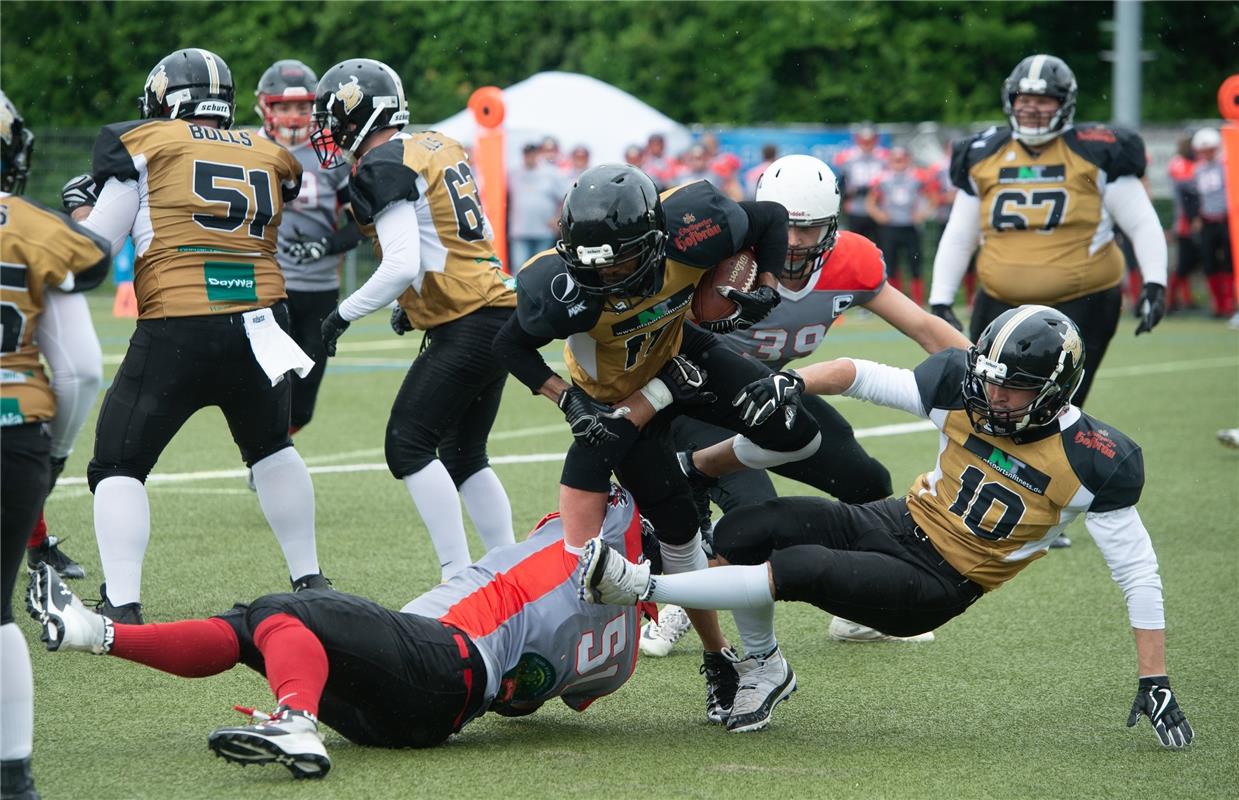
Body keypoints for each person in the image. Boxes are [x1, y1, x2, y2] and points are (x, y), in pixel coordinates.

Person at [582, 306, 1195, 748]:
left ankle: (640, 587)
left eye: (1012, 389)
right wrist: (791, 381)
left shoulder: (1096, 458)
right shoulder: (966, 385)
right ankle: (765, 666)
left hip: (939, 580)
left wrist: (1155, 677)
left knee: (799, 570)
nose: (993, 396)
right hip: (898, 520)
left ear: (1056, 390)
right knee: (747, 527)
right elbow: (860, 373)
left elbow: (1138, 573)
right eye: (990, 380)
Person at [27, 485, 653, 781]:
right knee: (255, 626)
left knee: (290, 607)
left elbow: (602, 471)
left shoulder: (600, 534)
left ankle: (296, 720)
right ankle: (97, 633)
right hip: (435, 708)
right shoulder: (618, 660)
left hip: (447, 654)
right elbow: (535, 702)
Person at [491, 163, 820, 723]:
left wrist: (762, 286)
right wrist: (567, 400)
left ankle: (697, 467)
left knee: (798, 434)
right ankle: (723, 659)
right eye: (594, 262)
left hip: (683, 353)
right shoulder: (558, 288)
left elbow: (770, 217)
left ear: (654, 240)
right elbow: (508, 345)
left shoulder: (695, 226)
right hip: (619, 397)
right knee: (679, 533)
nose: (608, 275)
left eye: (621, 259)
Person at [659, 154, 968, 653]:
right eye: (786, 224)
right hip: (695, 397)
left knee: (867, 485)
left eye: (809, 227)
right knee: (752, 514)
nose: (795, 240)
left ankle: (856, 613)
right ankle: (675, 598)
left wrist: (985, 370)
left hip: (771, 391)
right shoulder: (725, 257)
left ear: (834, 222)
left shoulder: (852, 262)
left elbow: (925, 327)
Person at [63, 48, 326, 624]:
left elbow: (92, 253)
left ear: (164, 100)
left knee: (118, 465)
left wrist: (82, 208)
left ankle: (122, 604)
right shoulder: (269, 152)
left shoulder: (147, 143)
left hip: (179, 320)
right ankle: (311, 581)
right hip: (261, 322)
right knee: (272, 448)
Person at [312, 59, 517, 580]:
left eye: (333, 116)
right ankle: (508, 568)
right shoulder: (436, 144)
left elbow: (401, 261)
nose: (329, 129)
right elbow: (457, 237)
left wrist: (342, 313)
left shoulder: (384, 164)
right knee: (464, 452)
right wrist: (415, 302)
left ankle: (457, 575)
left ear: (358, 112)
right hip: (494, 311)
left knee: (407, 444)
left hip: (469, 321)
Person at [929, 54, 1168, 408]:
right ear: (1011, 101)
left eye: (1043, 100)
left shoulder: (1095, 150)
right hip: (999, 300)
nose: (1031, 109)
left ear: (1064, 103)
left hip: (1083, 299)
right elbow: (960, 233)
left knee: (1054, 405)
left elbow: (1141, 221)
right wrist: (941, 298)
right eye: (1024, 100)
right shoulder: (983, 153)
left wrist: (1155, 282)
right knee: (983, 398)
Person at [1, 88, 111, 800]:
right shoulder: (37, 228)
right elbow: (80, 369)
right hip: (13, 426)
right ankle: (13, 776)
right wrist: (59, 451)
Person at [255, 59, 363, 435]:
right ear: (265, 107)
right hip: (267, 284)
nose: (294, 115)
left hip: (318, 287)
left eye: (303, 106)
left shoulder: (331, 155)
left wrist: (325, 245)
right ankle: (265, 452)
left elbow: (362, 223)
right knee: (263, 382)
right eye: (284, 106)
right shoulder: (248, 149)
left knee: (302, 402)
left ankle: (277, 442)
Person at [865, 146, 936, 305]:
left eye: (901, 159)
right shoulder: (882, 178)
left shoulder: (918, 176)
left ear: (908, 159)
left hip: (910, 227)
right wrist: (879, 215)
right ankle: (896, 303)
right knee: (891, 265)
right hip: (891, 227)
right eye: (895, 160)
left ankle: (918, 302)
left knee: (915, 264)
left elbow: (933, 198)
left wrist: (922, 214)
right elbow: (870, 203)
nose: (899, 163)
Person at [1187, 127, 1233, 319]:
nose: (1207, 154)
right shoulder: (1198, 170)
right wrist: (1196, 217)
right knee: (1209, 262)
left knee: (1230, 262)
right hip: (1208, 220)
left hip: (1227, 219)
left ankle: (1230, 302)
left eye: (1210, 149)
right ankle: (1218, 303)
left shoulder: (1227, 165)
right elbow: (1195, 196)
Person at [508, 142, 565, 273]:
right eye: (527, 154)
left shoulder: (550, 173)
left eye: (532, 154)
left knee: (541, 268)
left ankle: (539, 294)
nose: (530, 157)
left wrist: (557, 218)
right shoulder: (513, 173)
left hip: (543, 230)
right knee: (519, 267)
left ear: (537, 154)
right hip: (520, 230)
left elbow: (563, 197)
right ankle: (517, 294)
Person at [833, 123, 888, 243]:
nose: (866, 143)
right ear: (857, 139)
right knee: (855, 243)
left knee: (880, 245)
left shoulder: (884, 156)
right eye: (863, 140)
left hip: (878, 208)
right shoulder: (847, 156)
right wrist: (846, 199)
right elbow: (841, 182)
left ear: (876, 139)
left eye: (869, 140)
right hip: (855, 206)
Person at [1166, 136, 1199, 313]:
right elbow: (1189, 195)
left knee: (1189, 264)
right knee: (1184, 264)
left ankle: (1185, 299)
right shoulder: (1180, 164)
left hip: (1193, 220)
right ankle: (1172, 301)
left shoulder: (1193, 164)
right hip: (1185, 223)